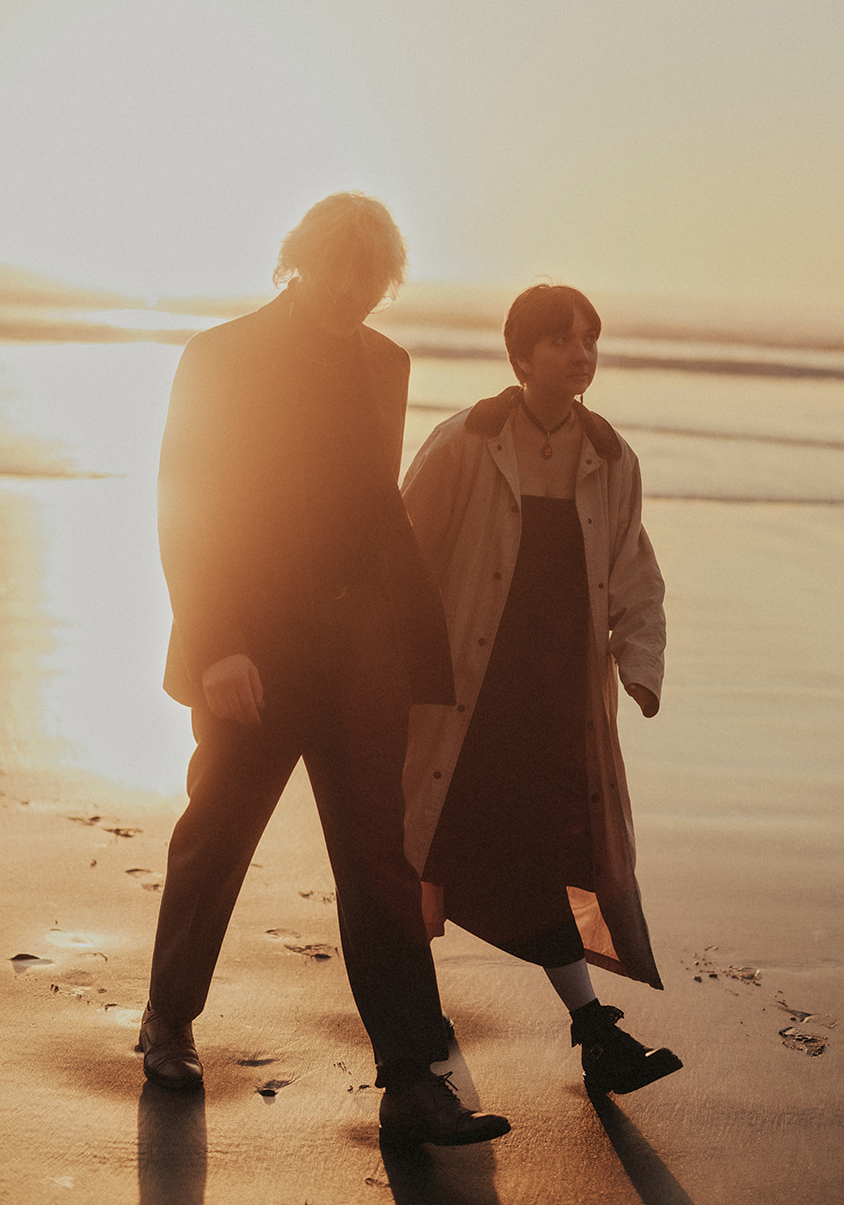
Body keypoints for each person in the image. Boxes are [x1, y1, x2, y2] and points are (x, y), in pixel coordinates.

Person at [141, 192, 510, 1149]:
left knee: (379, 863)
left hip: (356, 661)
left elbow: (372, 510)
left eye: (373, 280)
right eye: (341, 273)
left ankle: (408, 1078)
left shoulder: (384, 362)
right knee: (218, 836)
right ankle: (168, 1021)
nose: (356, 294)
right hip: (250, 657)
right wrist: (217, 641)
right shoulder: (220, 356)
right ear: (298, 260)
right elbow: (188, 501)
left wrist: (411, 644)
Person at [401, 283, 682, 1097]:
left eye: (589, 339)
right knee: (428, 845)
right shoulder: (465, 441)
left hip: (555, 700)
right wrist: (388, 666)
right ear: (520, 355)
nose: (580, 353)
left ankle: (590, 1029)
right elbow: (408, 554)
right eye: (561, 340)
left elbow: (634, 569)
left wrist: (640, 665)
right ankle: (432, 1014)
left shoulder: (610, 456)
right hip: (464, 692)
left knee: (536, 849)